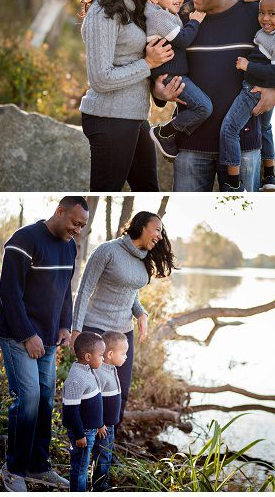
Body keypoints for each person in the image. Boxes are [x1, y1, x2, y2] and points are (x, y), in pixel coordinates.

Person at [151, 0, 275, 191]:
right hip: (191, 145)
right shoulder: (180, 13)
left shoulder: (256, 14)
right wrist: (159, 93)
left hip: (244, 145)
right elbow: (159, 62)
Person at [0, 196, 89, 491]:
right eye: (75, 222)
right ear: (59, 212)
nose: (78, 230)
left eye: (82, 225)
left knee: (45, 398)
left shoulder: (70, 246)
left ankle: (38, 465)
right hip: (16, 334)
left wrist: (64, 326)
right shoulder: (24, 240)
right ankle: (14, 469)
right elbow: (9, 292)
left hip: (49, 337)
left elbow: (65, 291)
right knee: (29, 397)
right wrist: (26, 335)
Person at [79, 0, 175, 191]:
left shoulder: (134, 9)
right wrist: (148, 63)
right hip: (109, 118)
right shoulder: (104, 12)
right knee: (105, 190)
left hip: (134, 117)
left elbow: (177, 2)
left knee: (149, 191)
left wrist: (158, 92)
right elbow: (101, 79)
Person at [71, 211, 175, 428]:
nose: (160, 235)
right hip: (96, 329)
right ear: (142, 227)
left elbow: (130, 292)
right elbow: (84, 291)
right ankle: (86, 442)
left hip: (122, 334)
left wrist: (141, 313)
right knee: (94, 391)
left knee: (120, 392)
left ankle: (108, 447)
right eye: (157, 229)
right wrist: (76, 331)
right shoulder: (107, 250)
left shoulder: (142, 259)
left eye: (161, 231)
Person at [219, 0, 275, 191]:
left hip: (254, 89)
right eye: (261, 12)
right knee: (265, 127)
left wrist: (248, 66)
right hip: (262, 87)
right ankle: (270, 177)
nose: (265, 18)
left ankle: (233, 182)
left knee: (229, 129)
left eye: (271, 14)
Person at [144, 0, 212, 160]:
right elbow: (182, 39)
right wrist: (195, 21)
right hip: (169, 77)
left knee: (193, 106)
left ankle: (172, 137)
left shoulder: (165, 10)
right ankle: (165, 132)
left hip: (175, 75)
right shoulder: (158, 16)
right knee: (203, 107)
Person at [61, 332, 105, 493]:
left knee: (84, 465)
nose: (103, 359)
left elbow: (93, 404)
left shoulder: (87, 370)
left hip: (91, 429)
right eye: (101, 355)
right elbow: (71, 410)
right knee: (80, 468)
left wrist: (99, 424)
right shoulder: (76, 379)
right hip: (83, 432)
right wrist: (79, 435)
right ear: (88, 356)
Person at [92, 330, 128, 492]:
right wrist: (99, 424)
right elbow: (94, 402)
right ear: (111, 354)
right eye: (123, 353)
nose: (126, 356)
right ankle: (99, 487)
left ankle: (102, 482)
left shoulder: (111, 368)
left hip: (110, 425)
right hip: (102, 426)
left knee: (107, 453)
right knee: (103, 456)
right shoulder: (100, 373)